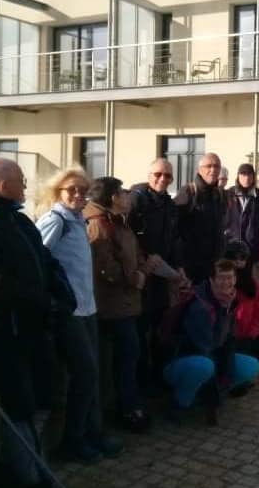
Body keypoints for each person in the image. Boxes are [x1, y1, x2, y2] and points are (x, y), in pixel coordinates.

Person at [0, 157, 70, 488]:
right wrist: (41, 301)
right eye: (20, 181)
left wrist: (61, 291)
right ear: (2, 185)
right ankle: (34, 486)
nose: (25, 187)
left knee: (43, 399)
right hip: (4, 338)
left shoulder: (19, 221)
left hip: (35, 333)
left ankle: (11, 472)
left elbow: (45, 261)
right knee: (19, 410)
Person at [36, 167, 123, 464]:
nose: (77, 194)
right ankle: (73, 440)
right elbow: (37, 260)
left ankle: (91, 433)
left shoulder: (77, 220)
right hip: (69, 313)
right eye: (71, 189)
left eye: (82, 190)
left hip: (88, 309)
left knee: (92, 374)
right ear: (58, 192)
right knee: (84, 374)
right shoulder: (55, 220)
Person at [83, 178, 153, 433]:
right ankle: (126, 411)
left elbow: (136, 254)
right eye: (124, 193)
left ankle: (128, 405)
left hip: (127, 304)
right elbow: (105, 267)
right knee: (124, 357)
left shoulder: (118, 222)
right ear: (113, 197)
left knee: (130, 356)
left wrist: (142, 271)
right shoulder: (99, 225)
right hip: (113, 307)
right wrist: (134, 278)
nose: (128, 197)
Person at [162, 259, 259, 423]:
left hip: (210, 355)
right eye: (221, 278)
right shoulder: (200, 305)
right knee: (204, 366)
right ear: (212, 280)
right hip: (183, 359)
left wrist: (226, 376)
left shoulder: (229, 301)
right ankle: (181, 403)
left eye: (230, 277)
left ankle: (207, 393)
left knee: (251, 365)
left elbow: (229, 340)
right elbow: (204, 347)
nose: (226, 283)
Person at [128, 159, 184, 389]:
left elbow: (174, 240)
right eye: (158, 174)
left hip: (162, 279)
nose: (162, 179)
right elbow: (127, 235)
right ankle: (141, 384)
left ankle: (159, 379)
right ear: (149, 174)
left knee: (161, 331)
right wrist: (143, 260)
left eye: (168, 176)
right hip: (141, 277)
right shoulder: (136, 200)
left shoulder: (169, 205)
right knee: (140, 333)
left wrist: (178, 266)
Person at [224, 241, 259, 365]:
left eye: (242, 257)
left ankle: (247, 365)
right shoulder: (222, 282)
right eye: (233, 256)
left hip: (247, 336)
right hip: (227, 337)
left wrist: (251, 335)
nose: (237, 260)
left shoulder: (252, 285)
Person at [175, 153, 227, 283]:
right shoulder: (188, 192)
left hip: (213, 267)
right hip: (191, 269)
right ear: (199, 169)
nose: (213, 170)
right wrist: (179, 264)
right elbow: (174, 230)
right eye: (208, 166)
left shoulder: (218, 194)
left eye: (216, 166)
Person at [225, 163, 259, 269]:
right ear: (238, 176)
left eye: (249, 175)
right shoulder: (229, 194)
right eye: (243, 174)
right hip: (230, 246)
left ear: (253, 177)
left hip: (251, 248)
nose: (247, 178)